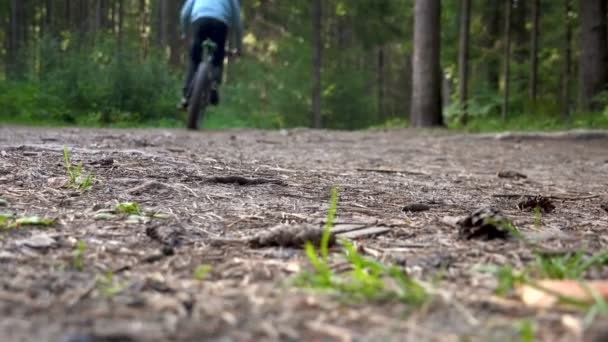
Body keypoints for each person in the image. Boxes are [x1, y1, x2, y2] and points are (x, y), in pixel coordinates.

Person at [179, 0, 243, 110]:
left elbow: (185, 14)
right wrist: (239, 47)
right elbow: (237, 23)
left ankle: (186, 97)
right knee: (218, 56)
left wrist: (184, 33)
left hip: (200, 22)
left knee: (194, 59)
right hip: (220, 23)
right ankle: (214, 84)